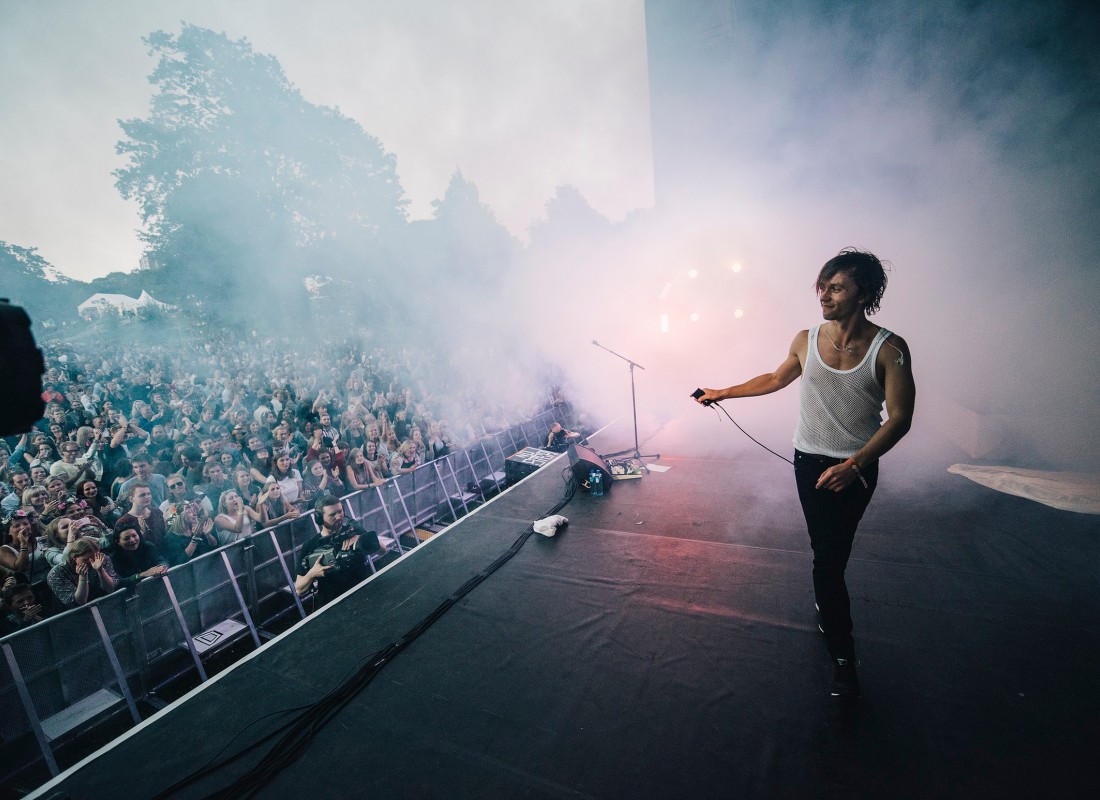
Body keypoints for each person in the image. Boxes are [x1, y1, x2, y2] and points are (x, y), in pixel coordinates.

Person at [696, 248, 915, 699]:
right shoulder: (805, 338)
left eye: (836, 287)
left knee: (834, 554)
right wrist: (724, 391)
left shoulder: (889, 349)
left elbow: (899, 419)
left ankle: (829, 605)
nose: (824, 295)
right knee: (826, 556)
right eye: (823, 286)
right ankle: (843, 659)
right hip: (809, 461)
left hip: (857, 467)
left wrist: (854, 465)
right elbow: (776, 379)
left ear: (864, 294)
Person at [294, 494, 384, 606]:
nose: (339, 517)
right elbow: (298, 589)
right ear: (319, 518)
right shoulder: (310, 545)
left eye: (340, 511)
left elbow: (382, 550)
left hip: (363, 594)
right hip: (332, 603)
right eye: (332, 514)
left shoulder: (353, 530)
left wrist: (362, 538)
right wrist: (312, 574)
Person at [46, 538, 119, 608]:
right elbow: (80, 602)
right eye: (86, 559)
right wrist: (82, 577)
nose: (92, 562)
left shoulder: (101, 559)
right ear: (74, 558)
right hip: (74, 613)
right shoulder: (57, 573)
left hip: (103, 603)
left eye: (94, 557)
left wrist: (100, 570)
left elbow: (110, 589)